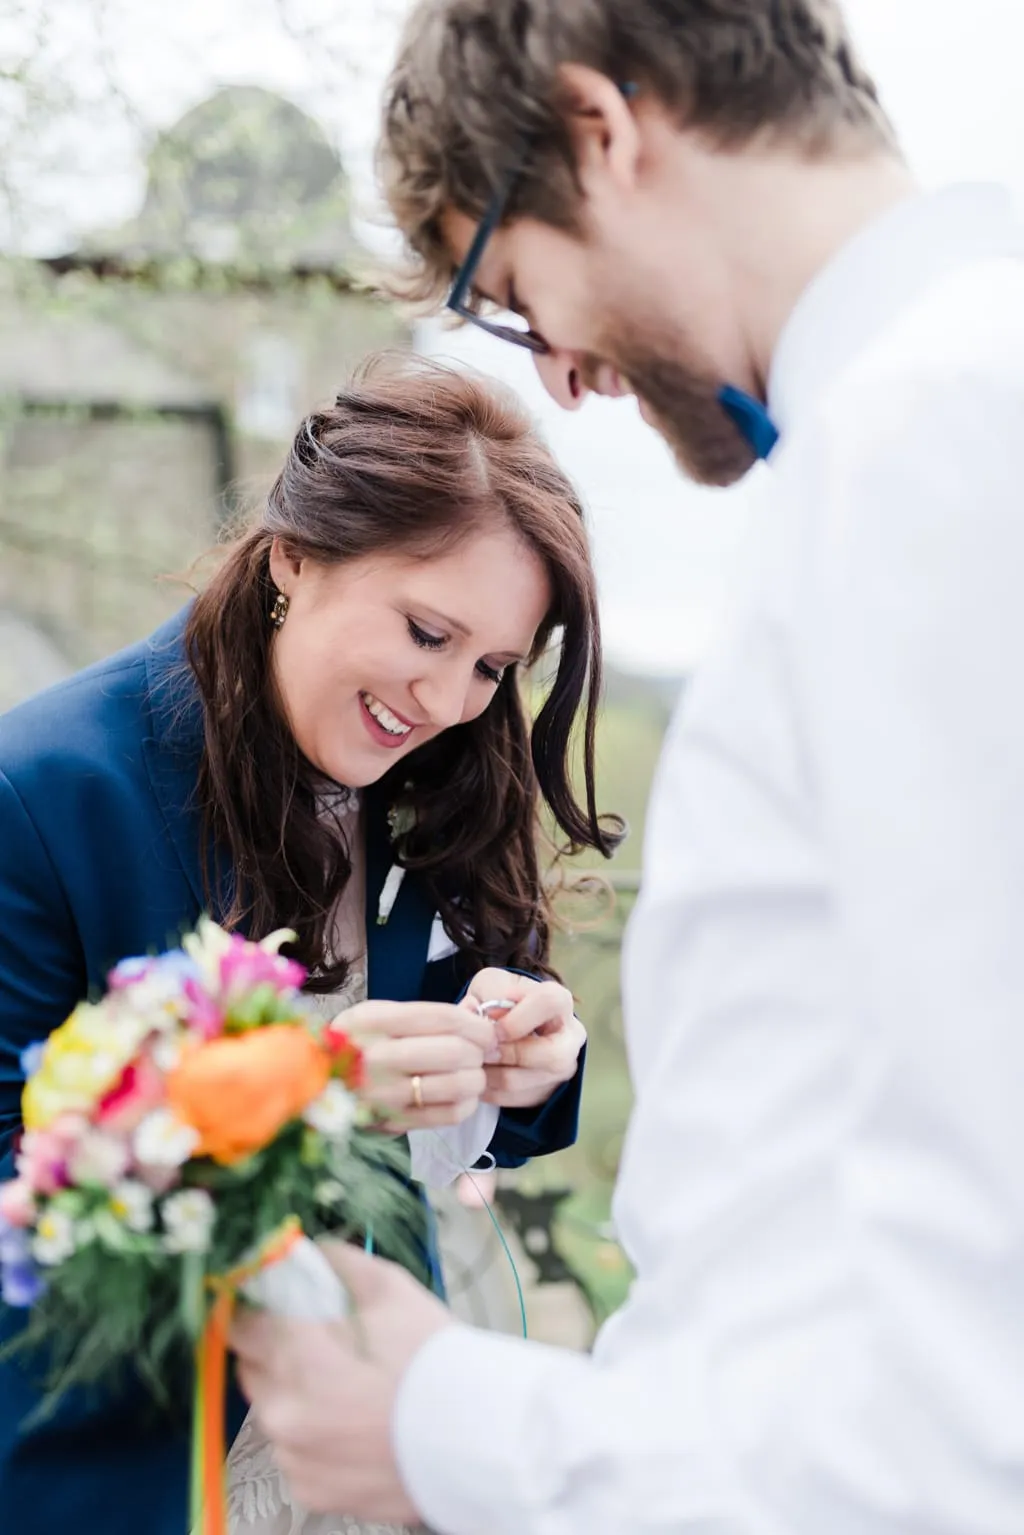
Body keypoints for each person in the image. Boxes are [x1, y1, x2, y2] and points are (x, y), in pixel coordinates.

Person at [231, 2, 1024, 1533]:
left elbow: (971, 1355)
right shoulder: (917, 430)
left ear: (602, 130)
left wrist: (448, 1425)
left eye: (516, 293)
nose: (570, 377)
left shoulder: (938, 444)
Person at [0, 352, 623, 1535]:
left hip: (378, 1448)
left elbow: (466, 1038)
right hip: (130, 1461)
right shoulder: (40, 788)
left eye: (492, 667)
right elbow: (11, 1172)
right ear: (296, 555)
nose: (446, 701)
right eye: (426, 632)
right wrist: (307, 1089)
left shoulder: (431, 772)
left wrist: (528, 1051)